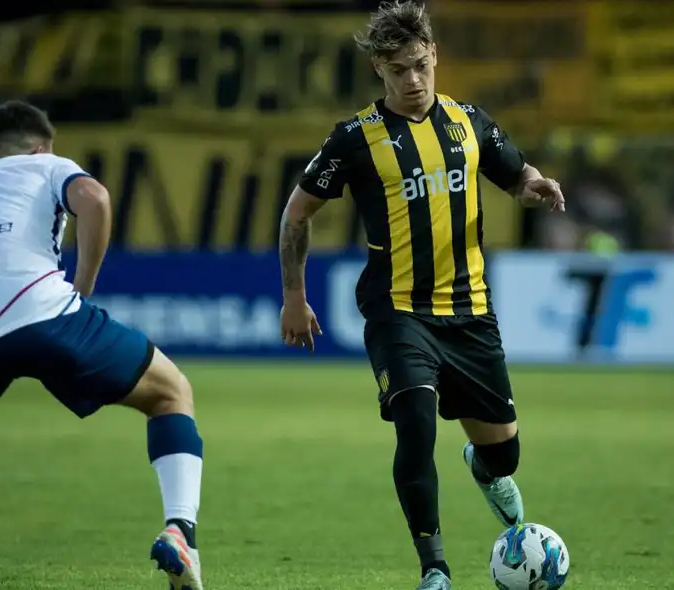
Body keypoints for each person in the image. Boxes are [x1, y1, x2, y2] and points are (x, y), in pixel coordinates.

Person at [276, 2, 565, 589]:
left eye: (420, 65)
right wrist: (292, 295)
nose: (412, 81)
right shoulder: (355, 139)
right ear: (379, 71)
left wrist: (535, 183)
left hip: (470, 313)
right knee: (416, 423)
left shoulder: (469, 122)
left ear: (434, 56)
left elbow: (516, 173)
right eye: (398, 70)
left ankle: (485, 469)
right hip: (398, 310)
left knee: (504, 456)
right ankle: (434, 569)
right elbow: (297, 213)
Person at [0, 101, 204, 590]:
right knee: (170, 393)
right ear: (40, 146)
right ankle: (181, 532)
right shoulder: (46, 165)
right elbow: (95, 198)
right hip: (45, 311)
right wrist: (83, 288)